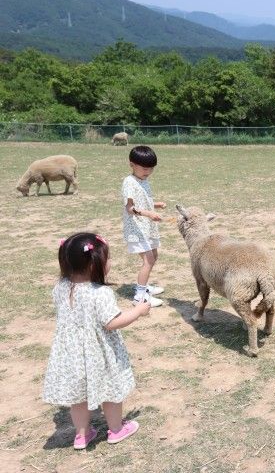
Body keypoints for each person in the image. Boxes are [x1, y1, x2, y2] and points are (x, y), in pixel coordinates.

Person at [42, 233, 150, 449]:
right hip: (98, 353)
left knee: (78, 396)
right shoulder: (100, 293)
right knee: (110, 391)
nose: (110, 262)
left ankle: (81, 435)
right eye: (107, 259)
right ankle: (117, 430)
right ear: (94, 264)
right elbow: (112, 322)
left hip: (71, 354)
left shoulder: (61, 287)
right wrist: (138, 310)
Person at [122, 145, 166, 307]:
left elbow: (142, 201)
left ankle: (145, 286)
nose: (148, 172)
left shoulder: (143, 180)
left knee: (153, 257)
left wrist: (155, 204)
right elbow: (130, 208)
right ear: (131, 164)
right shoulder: (129, 182)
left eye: (151, 169)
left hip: (147, 227)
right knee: (148, 260)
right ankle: (140, 296)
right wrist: (149, 214)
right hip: (137, 228)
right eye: (144, 168)